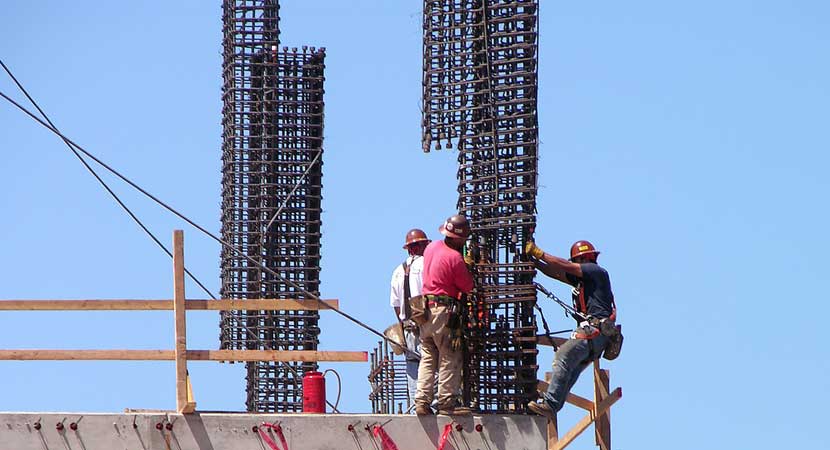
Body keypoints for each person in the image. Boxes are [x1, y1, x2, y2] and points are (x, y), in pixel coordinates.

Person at [525, 240, 616, 418]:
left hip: (595, 331)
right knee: (571, 369)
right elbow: (558, 273)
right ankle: (551, 407)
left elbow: (564, 265)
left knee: (563, 356)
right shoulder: (586, 280)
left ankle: (550, 404)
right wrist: (537, 264)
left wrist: (539, 253)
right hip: (597, 337)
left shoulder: (595, 271)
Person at [414, 214, 475, 416]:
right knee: (450, 355)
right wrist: (467, 267)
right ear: (459, 238)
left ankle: (422, 402)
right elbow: (467, 286)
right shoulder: (454, 258)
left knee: (428, 357)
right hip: (443, 312)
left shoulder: (432, 247)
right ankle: (446, 403)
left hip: (425, 311)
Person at [389, 228, 430, 410]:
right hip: (426, 325)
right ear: (421, 245)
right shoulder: (426, 264)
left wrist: (405, 324)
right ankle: (433, 405)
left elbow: (396, 305)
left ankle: (418, 408)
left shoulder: (398, 271)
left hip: (408, 327)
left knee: (413, 368)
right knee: (432, 363)